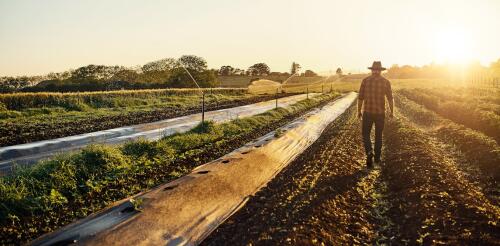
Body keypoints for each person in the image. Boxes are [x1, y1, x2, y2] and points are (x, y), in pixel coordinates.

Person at [357, 61, 394, 168]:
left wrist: (359, 111)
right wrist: (392, 112)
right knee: (378, 136)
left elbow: (360, 98)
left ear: (372, 70)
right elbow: (390, 98)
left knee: (365, 134)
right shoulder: (386, 82)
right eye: (376, 69)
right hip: (380, 114)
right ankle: (377, 159)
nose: (376, 71)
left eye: (375, 69)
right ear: (380, 71)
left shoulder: (365, 81)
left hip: (368, 112)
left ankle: (369, 152)